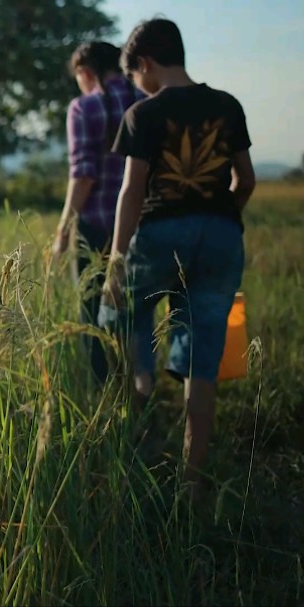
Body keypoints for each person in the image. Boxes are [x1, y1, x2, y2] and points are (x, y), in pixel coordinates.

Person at [99, 17, 255, 494]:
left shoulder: (143, 115)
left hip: (159, 232)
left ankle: (137, 405)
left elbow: (132, 191)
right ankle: (192, 479)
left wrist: (115, 258)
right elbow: (245, 181)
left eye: (134, 77)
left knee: (117, 315)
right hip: (222, 235)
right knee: (202, 358)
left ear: (144, 64)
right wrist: (219, 219)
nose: (136, 86)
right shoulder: (228, 105)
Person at [53, 41, 145, 384]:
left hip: (95, 227)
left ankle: (104, 391)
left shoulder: (84, 108)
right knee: (136, 311)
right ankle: (139, 387)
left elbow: (84, 175)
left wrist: (63, 231)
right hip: (142, 226)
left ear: (85, 72)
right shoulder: (145, 101)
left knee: (93, 313)